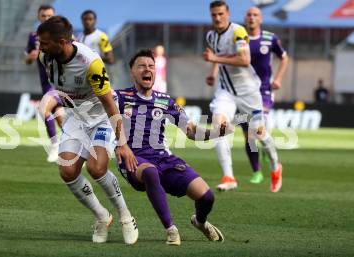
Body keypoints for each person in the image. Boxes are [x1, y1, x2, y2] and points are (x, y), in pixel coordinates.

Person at [36, 16, 138, 244]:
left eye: (44, 43)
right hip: (75, 117)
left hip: (101, 117)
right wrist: (51, 100)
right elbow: (60, 88)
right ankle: (102, 217)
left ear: (62, 42)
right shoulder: (45, 58)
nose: (40, 48)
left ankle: (125, 215)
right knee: (67, 171)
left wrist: (122, 142)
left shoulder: (90, 63)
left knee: (96, 167)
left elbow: (109, 103)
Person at [115, 49, 226, 245]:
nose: (147, 69)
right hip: (133, 158)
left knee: (207, 197)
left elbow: (191, 131)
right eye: (141, 66)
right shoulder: (119, 97)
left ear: (155, 72)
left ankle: (200, 222)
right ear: (132, 72)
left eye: (151, 66)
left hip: (163, 159)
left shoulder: (165, 101)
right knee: (149, 172)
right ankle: (171, 229)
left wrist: (216, 132)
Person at [204, 1, 283, 192]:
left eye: (221, 14)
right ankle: (229, 176)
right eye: (214, 15)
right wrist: (214, 73)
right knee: (219, 126)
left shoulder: (239, 31)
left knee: (259, 134)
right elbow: (217, 55)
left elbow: (244, 59)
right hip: (226, 92)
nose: (217, 18)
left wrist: (215, 59)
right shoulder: (210, 36)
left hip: (249, 92)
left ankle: (275, 165)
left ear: (228, 14)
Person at [243, 6, 289, 184]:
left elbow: (284, 57)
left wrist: (277, 78)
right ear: (245, 18)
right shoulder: (239, 38)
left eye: (255, 15)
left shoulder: (270, 38)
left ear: (260, 19)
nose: (252, 18)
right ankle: (256, 171)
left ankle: (275, 164)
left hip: (264, 91)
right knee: (248, 136)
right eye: (249, 14)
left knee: (259, 130)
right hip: (243, 93)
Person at [24, 5, 62, 162]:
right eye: (43, 16)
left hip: (61, 82)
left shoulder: (61, 35)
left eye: (49, 16)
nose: (46, 18)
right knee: (60, 116)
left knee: (43, 109)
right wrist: (31, 56)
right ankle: (75, 149)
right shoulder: (33, 37)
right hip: (46, 84)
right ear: (39, 17)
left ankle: (55, 146)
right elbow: (26, 60)